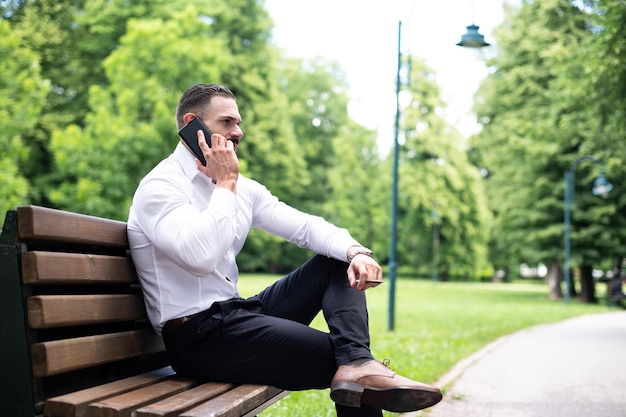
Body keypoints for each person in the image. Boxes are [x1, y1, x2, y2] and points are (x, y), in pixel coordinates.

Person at [127, 83, 442, 416]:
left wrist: (356, 252)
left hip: (237, 316)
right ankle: (358, 365)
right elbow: (199, 256)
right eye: (228, 122)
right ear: (193, 123)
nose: (239, 132)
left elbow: (305, 227)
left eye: (238, 123)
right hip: (199, 338)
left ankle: (359, 363)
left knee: (335, 261)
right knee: (344, 361)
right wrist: (225, 184)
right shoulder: (161, 187)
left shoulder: (239, 186)